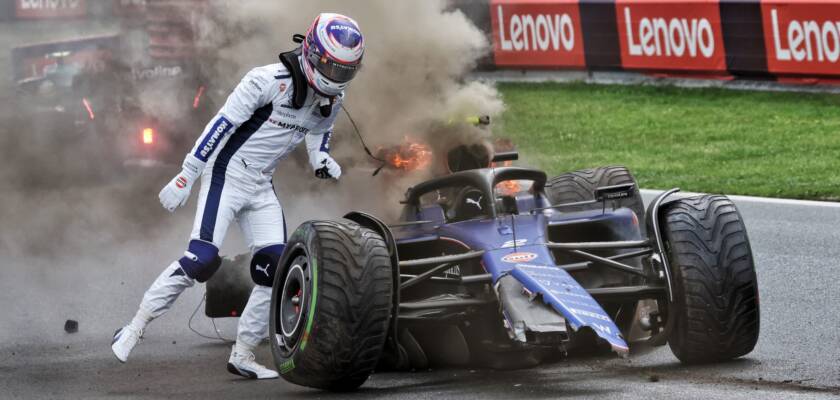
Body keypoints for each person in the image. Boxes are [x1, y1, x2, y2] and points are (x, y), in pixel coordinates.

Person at [111, 13, 365, 379]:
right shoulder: (265, 81)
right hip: (225, 175)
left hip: (262, 184)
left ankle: (243, 354)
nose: (337, 77)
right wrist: (186, 174)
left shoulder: (333, 96)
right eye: (332, 67)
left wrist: (319, 157)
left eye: (346, 70)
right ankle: (133, 328)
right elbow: (220, 125)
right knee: (200, 259)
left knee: (274, 270)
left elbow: (320, 128)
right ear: (310, 52)